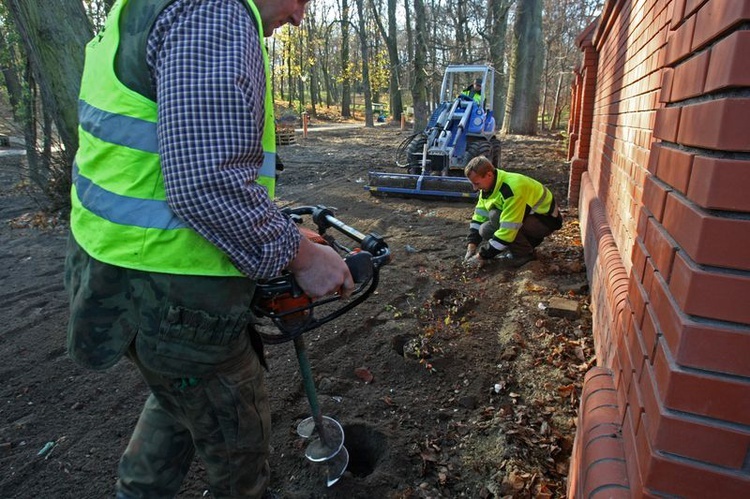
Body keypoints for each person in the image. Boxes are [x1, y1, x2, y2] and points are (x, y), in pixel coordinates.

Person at [64, 1, 351, 498]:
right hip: (177, 296)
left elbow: (169, 162)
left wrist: (278, 226)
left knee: (182, 395)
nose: (302, 16)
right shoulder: (213, 11)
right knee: (238, 446)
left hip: (114, 270)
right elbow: (206, 183)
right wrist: (302, 257)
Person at [463, 155, 563, 269]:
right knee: (485, 229)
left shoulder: (512, 189)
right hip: (530, 218)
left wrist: (482, 256)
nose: (474, 188)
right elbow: (479, 216)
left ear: (489, 175)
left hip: (545, 222)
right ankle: (521, 247)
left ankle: (524, 255)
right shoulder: (489, 186)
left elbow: (508, 230)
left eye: (476, 183)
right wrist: (472, 245)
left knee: (496, 216)